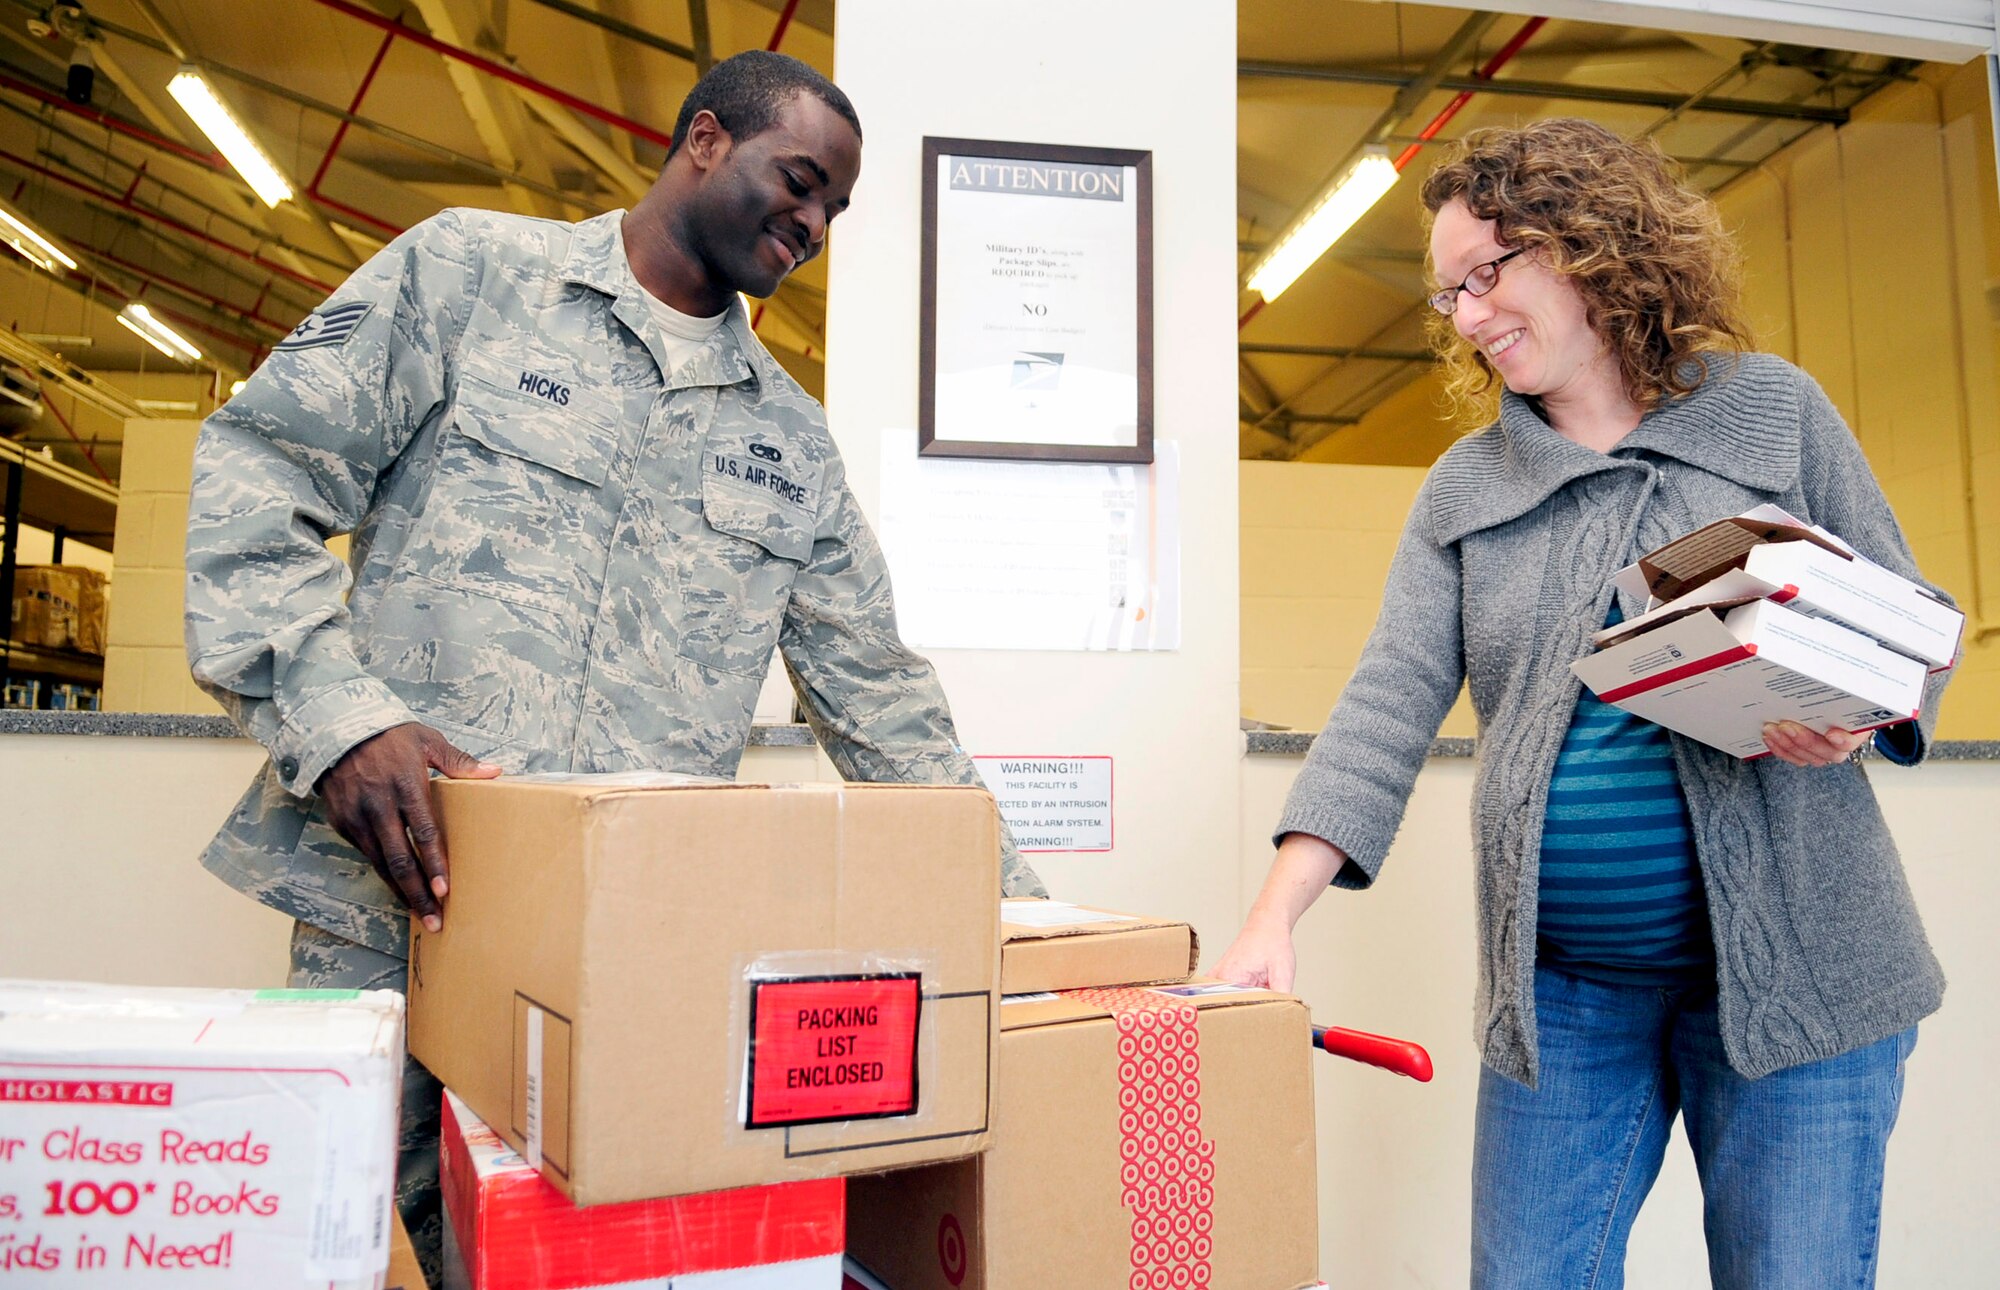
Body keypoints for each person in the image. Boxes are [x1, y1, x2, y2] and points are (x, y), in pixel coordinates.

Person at [184, 50, 1046, 1284]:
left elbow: (884, 704)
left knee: (562, 1264)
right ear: (703, 139)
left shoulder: (788, 441)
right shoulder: (470, 276)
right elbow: (259, 472)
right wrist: (338, 716)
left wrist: (1035, 926)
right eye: (798, 181)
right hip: (394, 903)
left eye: (833, 208)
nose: (811, 223)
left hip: (623, 958)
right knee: (315, 1240)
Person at [1215, 118, 1951, 1289]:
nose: (1463, 316)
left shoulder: (1772, 413)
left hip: (1804, 979)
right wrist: (1272, 921)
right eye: (1448, 294)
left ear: (1585, 246)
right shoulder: (1468, 487)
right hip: (1562, 994)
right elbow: (1383, 705)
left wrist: (1855, 712)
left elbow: (1907, 622)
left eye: (1484, 276)